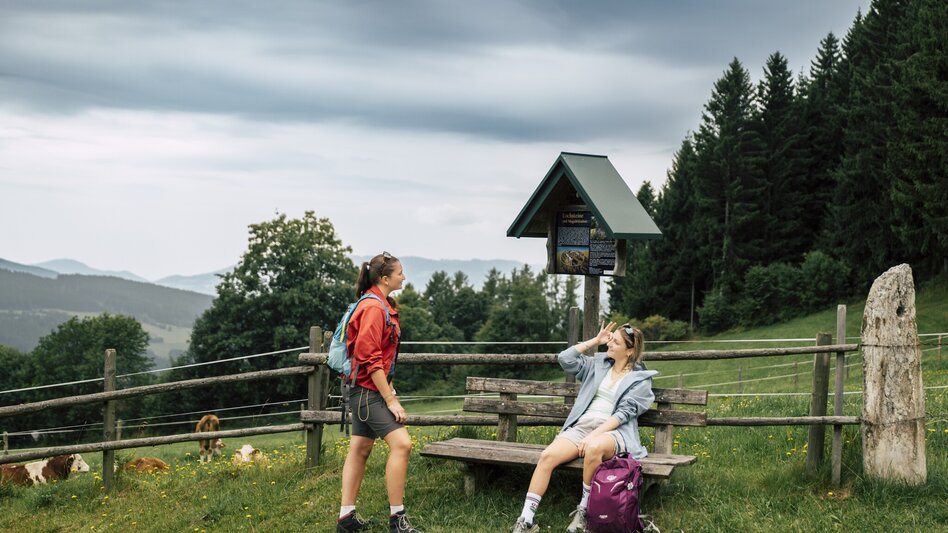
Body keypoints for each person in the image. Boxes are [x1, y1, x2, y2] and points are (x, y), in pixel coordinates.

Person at [511, 322, 656, 533]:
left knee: (594, 448)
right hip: (582, 427)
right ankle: (526, 520)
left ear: (630, 350)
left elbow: (622, 415)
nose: (610, 343)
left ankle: (584, 511)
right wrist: (595, 341)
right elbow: (565, 358)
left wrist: (594, 436)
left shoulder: (640, 379)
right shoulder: (597, 365)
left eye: (615, 341)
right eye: (610, 339)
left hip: (613, 431)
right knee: (547, 456)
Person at [336, 252, 421, 533]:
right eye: (399, 273)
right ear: (385, 278)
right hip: (367, 390)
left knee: (360, 448)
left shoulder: (379, 303)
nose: (403, 277)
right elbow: (369, 357)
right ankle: (398, 520)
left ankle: (346, 519)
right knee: (402, 445)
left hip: (361, 388)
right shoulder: (374, 308)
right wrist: (390, 399)